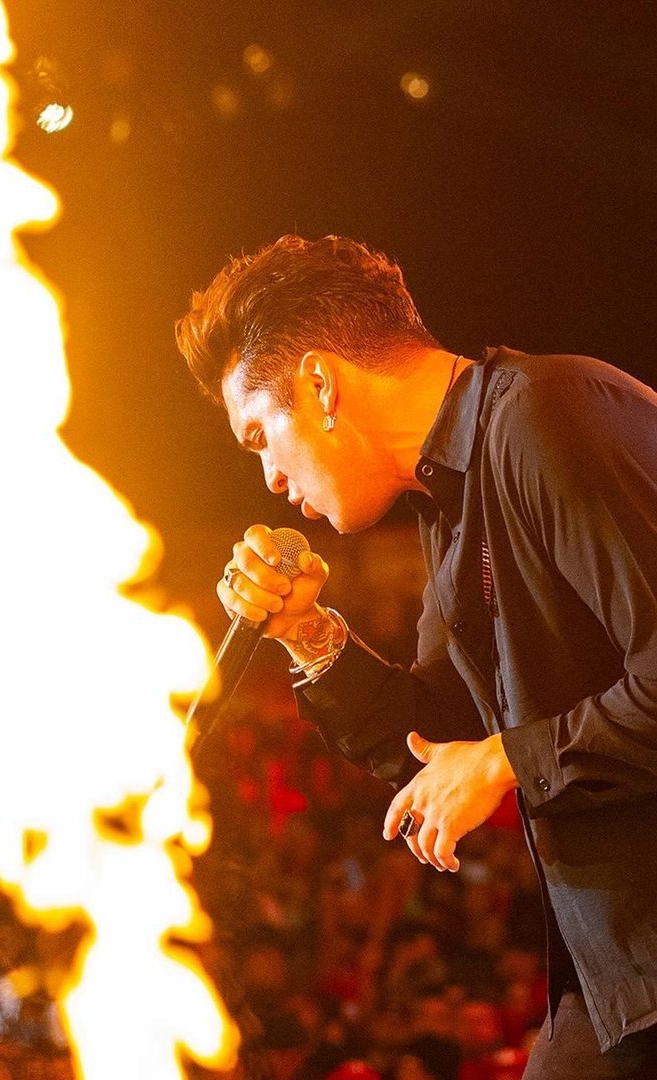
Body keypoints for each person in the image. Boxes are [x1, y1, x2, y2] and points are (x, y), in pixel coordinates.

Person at [174, 234, 657, 1078]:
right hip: (620, 984)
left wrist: (509, 758)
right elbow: (438, 737)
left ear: (321, 384)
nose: (271, 480)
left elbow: (495, 751)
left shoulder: (551, 416)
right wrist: (308, 632)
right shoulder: (452, 501)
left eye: (259, 436)